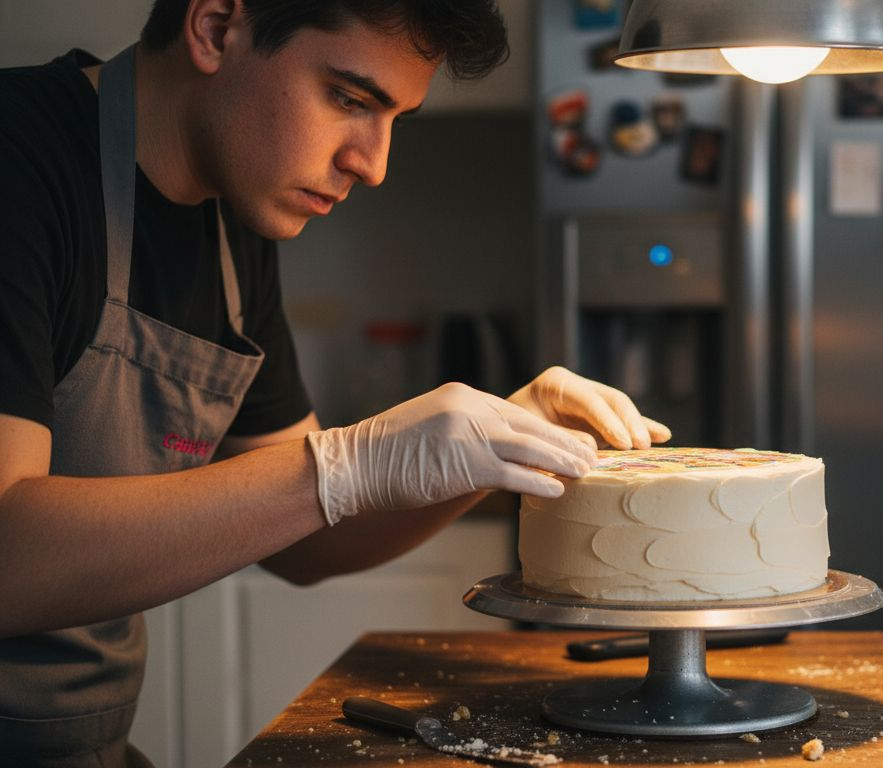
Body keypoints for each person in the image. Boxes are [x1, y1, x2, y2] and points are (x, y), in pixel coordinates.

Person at [0, 1, 670, 764]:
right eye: (350, 100)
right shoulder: (19, 159)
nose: (373, 164)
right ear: (217, 27)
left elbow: (306, 545)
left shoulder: (231, 224)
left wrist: (501, 444)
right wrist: (349, 462)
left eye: (396, 120)